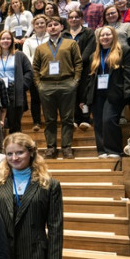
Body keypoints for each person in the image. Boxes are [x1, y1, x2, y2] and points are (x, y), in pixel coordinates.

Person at [0, 133, 64, 259]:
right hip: (2, 252)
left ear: (31, 152)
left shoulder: (49, 185)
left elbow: (55, 230)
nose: (14, 158)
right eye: (9, 154)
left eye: (20, 152)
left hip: (35, 253)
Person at [83, 26, 130, 159]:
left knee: (109, 120)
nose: (105, 37)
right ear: (98, 38)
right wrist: (86, 97)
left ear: (114, 36)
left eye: (108, 34)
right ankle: (102, 150)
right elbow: (90, 78)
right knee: (99, 122)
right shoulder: (94, 56)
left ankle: (114, 150)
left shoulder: (124, 51)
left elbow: (128, 73)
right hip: (97, 93)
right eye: (102, 35)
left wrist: (128, 91)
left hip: (114, 92)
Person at [33, 16, 82, 159]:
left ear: (62, 27)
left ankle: (66, 147)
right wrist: (39, 85)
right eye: (50, 25)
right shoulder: (40, 48)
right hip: (46, 85)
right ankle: (51, 147)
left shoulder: (71, 43)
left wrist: (75, 81)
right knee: (49, 119)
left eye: (55, 24)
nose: (52, 27)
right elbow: (35, 68)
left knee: (67, 118)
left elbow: (78, 63)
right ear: (46, 29)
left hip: (67, 83)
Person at [0, 31, 33, 135]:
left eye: (8, 38)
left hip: (14, 91)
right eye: (3, 38)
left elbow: (29, 71)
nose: (5, 41)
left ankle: (16, 143)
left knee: (15, 124)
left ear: (12, 41)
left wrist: (22, 85)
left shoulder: (19, 55)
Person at [63, 9, 97, 132]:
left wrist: (77, 63)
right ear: (68, 20)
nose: (74, 19)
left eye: (77, 17)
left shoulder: (88, 32)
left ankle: (85, 118)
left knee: (84, 95)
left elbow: (89, 50)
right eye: (71, 17)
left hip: (85, 69)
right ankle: (75, 119)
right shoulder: (64, 34)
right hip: (69, 70)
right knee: (72, 95)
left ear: (81, 19)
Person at [22, 15, 49, 131]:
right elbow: (26, 56)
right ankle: (36, 122)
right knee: (35, 98)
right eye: (37, 23)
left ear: (46, 24)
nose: (39, 25)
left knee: (48, 98)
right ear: (33, 26)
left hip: (49, 72)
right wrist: (36, 67)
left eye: (42, 23)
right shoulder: (28, 41)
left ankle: (49, 120)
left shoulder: (51, 38)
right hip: (34, 72)